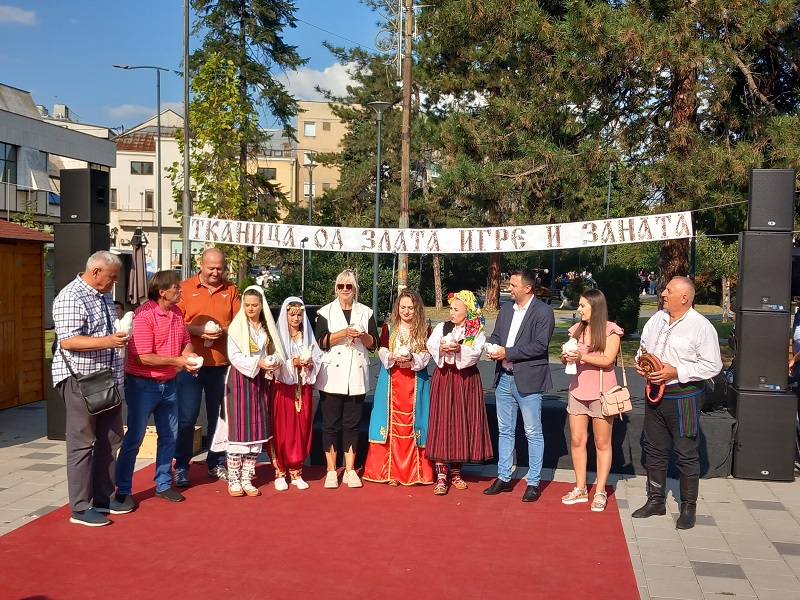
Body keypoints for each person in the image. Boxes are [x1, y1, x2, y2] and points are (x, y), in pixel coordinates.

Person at [632, 276, 722, 530]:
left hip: (684, 396)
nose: (663, 293)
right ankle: (656, 500)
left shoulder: (700, 326)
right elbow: (642, 348)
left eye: (669, 291)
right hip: (655, 393)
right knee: (654, 449)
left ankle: (688, 507)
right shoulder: (656, 319)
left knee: (685, 452)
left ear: (684, 297)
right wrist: (643, 363)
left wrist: (677, 372)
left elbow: (713, 365)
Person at [52, 251, 131, 526]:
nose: (114, 283)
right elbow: (68, 341)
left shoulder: (104, 294)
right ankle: (81, 508)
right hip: (81, 380)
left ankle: (103, 497)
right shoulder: (71, 296)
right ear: (95, 272)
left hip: (108, 378)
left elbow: (107, 332)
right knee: (82, 443)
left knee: (111, 438)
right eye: (111, 277)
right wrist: (109, 341)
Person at [115, 270, 200, 507]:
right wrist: (178, 361)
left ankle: (163, 484)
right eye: (176, 287)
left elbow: (185, 341)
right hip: (143, 385)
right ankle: (123, 489)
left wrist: (189, 355)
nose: (180, 290)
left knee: (169, 437)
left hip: (169, 385)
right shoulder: (144, 316)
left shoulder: (175, 313)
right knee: (135, 437)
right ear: (162, 292)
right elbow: (142, 357)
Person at [484, 268, 555, 503]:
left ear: (527, 288)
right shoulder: (506, 309)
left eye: (513, 285)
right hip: (504, 377)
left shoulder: (543, 312)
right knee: (505, 430)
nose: (509, 288)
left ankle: (533, 483)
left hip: (529, 379)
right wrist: (493, 346)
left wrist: (508, 352)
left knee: (533, 432)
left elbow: (539, 345)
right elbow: (496, 335)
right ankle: (504, 477)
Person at [174, 248, 241, 486]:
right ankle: (181, 465)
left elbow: (238, 324)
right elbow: (175, 323)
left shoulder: (231, 290)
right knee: (186, 418)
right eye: (211, 267)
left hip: (220, 364)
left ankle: (215, 462)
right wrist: (198, 331)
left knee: (219, 418)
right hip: (190, 364)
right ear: (200, 265)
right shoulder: (185, 288)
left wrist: (221, 331)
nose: (215, 272)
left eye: (219, 268)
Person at [211, 285, 283, 497]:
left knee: (256, 430)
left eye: (254, 305)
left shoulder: (266, 328)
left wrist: (274, 361)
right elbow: (234, 356)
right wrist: (258, 362)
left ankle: (247, 477)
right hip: (240, 380)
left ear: (262, 306)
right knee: (239, 430)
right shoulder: (237, 327)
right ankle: (233, 478)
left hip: (260, 381)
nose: (250, 308)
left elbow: (276, 350)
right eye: (247, 305)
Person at [314, 269, 379, 489]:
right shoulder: (325, 312)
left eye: (348, 286)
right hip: (332, 374)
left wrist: (361, 335)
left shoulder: (366, 312)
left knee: (352, 424)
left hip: (356, 374)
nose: (344, 290)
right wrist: (344, 333)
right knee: (330, 424)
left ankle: (350, 470)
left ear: (355, 289)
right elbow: (321, 341)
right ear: (336, 288)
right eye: (341, 286)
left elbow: (374, 344)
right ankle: (331, 470)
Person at [560, 289, 623, 512]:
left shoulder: (610, 330)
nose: (579, 309)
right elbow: (568, 355)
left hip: (601, 393)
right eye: (579, 305)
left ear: (595, 307)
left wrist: (582, 356)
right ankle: (580, 487)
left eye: (582, 305)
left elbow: (608, 360)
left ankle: (600, 490)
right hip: (577, 390)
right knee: (577, 440)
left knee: (602, 443)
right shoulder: (576, 329)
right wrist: (566, 355)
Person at [363, 290, 434, 486]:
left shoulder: (424, 330)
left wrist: (412, 359)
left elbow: (427, 355)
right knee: (389, 423)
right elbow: (383, 349)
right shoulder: (389, 327)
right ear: (397, 308)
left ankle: (416, 473)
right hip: (391, 382)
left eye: (410, 308)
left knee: (415, 423)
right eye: (403, 307)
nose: (406, 311)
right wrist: (391, 357)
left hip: (415, 382)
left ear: (417, 309)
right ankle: (389, 472)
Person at [426, 290, 493, 495]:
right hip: (445, 378)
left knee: (461, 423)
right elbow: (431, 344)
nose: (451, 313)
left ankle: (456, 472)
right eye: (451, 309)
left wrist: (458, 350)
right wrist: (443, 347)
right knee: (442, 422)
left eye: (456, 309)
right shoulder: (442, 327)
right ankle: (440, 475)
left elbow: (474, 354)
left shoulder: (476, 332)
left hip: (465, 380)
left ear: (468, 311)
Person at [270, 296, 323, 490]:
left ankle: (296, 470)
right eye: (292, 314)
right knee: (281, 429)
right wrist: (292, 362)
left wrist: (310, 363)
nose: (296, 318)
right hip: (283, 388)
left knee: (301, 428)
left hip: (303, 387)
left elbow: (318, 357)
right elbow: (274, 360)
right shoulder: (278, 337)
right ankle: (279, 470)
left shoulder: (307, 336)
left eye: (299, 314)